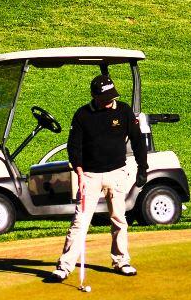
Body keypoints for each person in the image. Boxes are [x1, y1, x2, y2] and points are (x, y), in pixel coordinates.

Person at [47, 73, 147, 282]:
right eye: (106, 98)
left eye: (112, 97)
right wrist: (80, 173)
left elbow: (137, 140)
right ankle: (64, 267)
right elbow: (74, 147)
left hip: (117, 173)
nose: (110, 101)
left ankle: (121, 261)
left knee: (119, 219)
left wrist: (142, 168)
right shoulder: (82, 115)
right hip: (89, 176)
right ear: (94, 96)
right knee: (80, 221)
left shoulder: (123, 111)